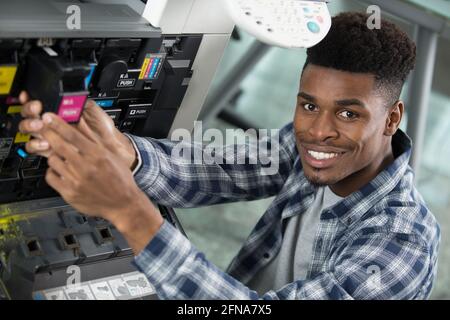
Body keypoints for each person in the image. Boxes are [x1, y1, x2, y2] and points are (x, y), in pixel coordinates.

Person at [18, 12, 440, 299]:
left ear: (392, 118)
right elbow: (218, 168)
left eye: (349, 113)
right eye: (309, 104)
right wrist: (122, 150)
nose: (318, 131)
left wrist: (130, 212)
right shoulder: (310, 147)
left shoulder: (400, 244)